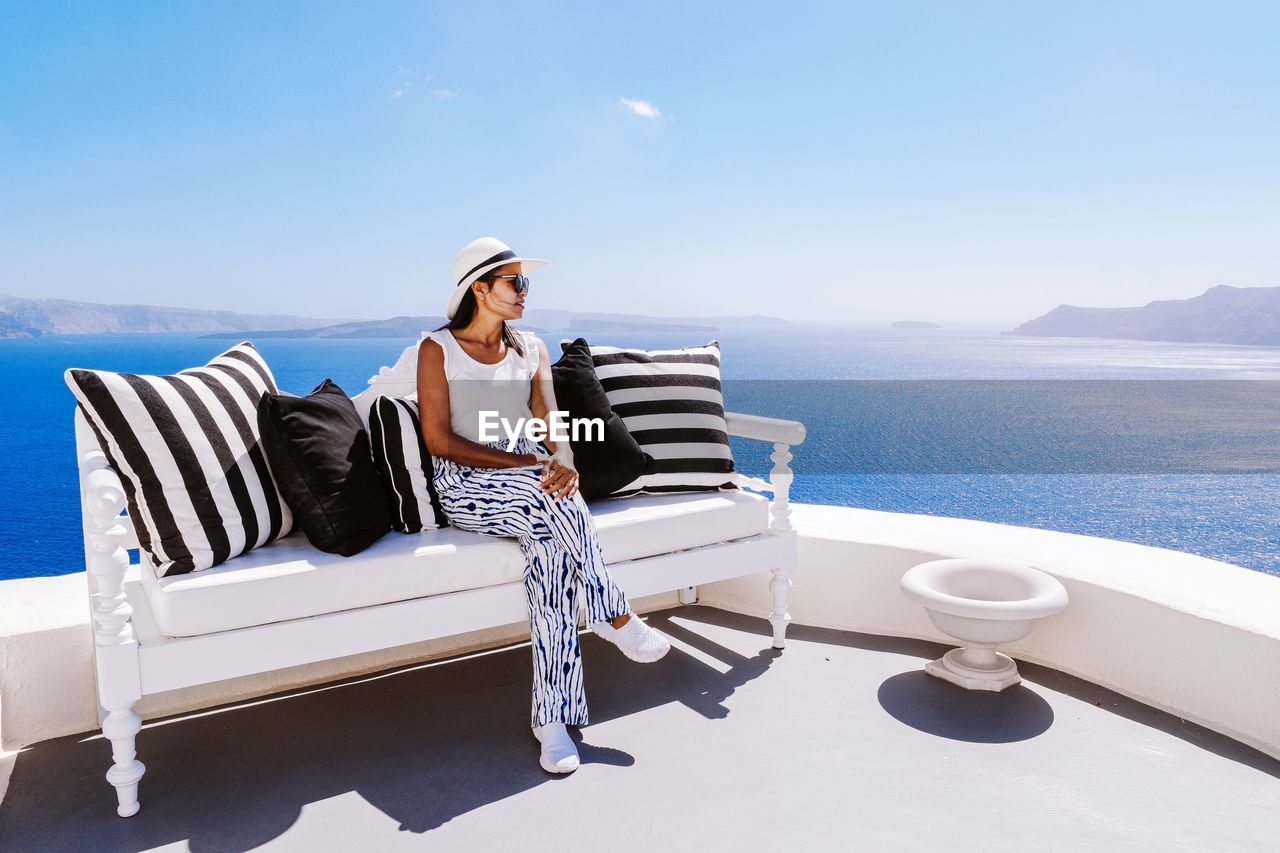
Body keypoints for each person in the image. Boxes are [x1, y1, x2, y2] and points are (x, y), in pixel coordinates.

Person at [416, 236, 671, 774]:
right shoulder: (437, 350)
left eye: (524, 282)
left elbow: (546, 417)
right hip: (466, 481)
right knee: (549, 498)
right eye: (515, 282)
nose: (524, 292)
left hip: (527, 473)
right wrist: (528, 468)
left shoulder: (529, 346)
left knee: (554, 536)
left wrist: (563, 458)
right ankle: (613, 613)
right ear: (480, 289)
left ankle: (550, 719)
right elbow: (437, 440)